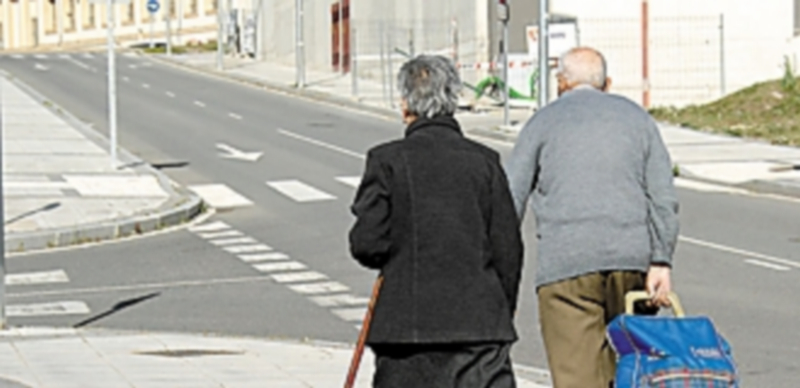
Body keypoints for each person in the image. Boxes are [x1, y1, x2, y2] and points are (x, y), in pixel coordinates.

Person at [504, 47, 680, 388]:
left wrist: (500, 264)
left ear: (561, 83)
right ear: (607, 83)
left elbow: (511, 195)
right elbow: (662, 196)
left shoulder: (543, 121)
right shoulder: (638, 119)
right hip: (634, 264)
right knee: (633, 371)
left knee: (578, 377)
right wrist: (661, 260)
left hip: (567, 267)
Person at [349, 55, 524, 388]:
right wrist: (499, 312)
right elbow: (508, 250)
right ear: (453, 100)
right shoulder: (485, 162)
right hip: (479, 332)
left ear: (404, 105)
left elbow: (367, 245)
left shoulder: (386, 161)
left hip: (406, 335)